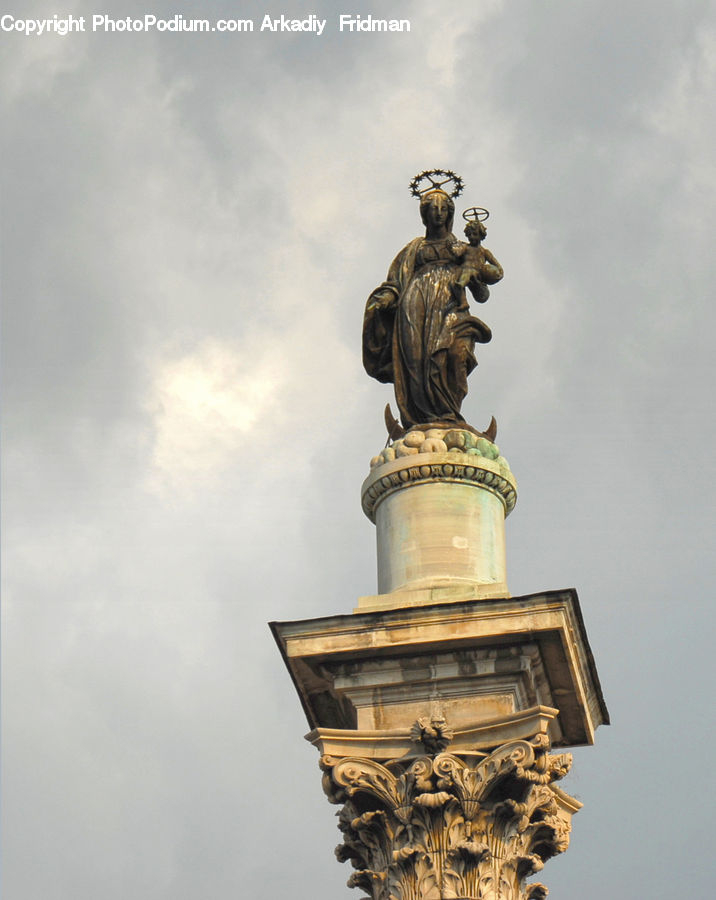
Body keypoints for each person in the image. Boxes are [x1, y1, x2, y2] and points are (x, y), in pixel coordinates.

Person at [362, 188, 500, 429]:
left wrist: (474, 274)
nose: (438, 213)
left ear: (450, 214)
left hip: (452, 308)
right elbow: (395, 283)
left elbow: (483, 293)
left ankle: (449, 413)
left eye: (443, 209)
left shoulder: (462, 249)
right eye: (432, 209)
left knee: (456, 355)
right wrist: (384, 299)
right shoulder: (412, 250)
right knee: (416, 361)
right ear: (424, 214)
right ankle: (422, 418)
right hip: (414, 307)